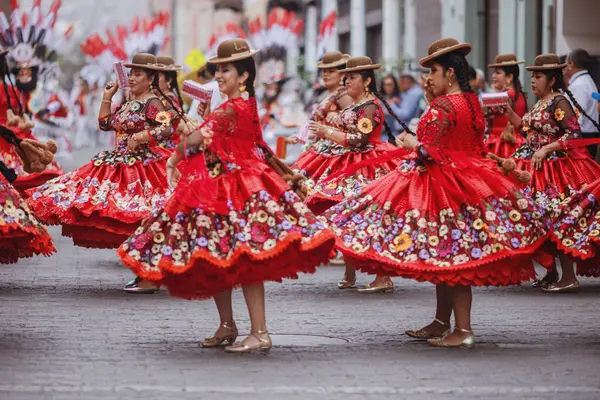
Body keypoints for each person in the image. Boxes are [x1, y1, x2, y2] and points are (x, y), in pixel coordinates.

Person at [320, 38, 549, 348]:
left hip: (442, 186)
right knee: (446, 256)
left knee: (453, 259)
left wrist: (413, 145)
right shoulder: (471, 102)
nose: (429, 79)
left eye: (434, 72)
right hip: (468, 181)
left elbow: (432, 152)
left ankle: (463, 330)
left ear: (450, 74)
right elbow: (473, 147)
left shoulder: (444, 105)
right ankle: (442, 322)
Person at [118, 39, 336, 353]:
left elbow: (197, 137)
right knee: (219, 256)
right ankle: (227, 325)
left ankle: (260, 332)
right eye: (218, 69)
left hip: (239, 190)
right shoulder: (233, 105)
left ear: (243, 76)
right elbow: (209, 137)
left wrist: (175, 153)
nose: (219, 75)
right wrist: (197, 126)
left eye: (226, 70)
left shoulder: (238, 105)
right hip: (220, 187)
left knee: (246, 260)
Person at [26, 53, 176, 288]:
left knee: (144, 217)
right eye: (131, 73)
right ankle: (145, 271)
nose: (132, 78)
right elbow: (105, 124)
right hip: (118, 163)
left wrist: (144, 135)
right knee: (121, 213)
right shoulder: (127, 102)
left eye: (138, 74)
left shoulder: (153, 103)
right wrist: (107, 96)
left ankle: (150, 273)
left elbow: (167, 128)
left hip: (144, 167)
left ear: (152, 78)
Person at [306, 56, 411, 293]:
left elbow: (359, 141)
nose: (347, 81)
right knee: (345, 215)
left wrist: (327, 131)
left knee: (372, 218)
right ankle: (351, 268)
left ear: (367, 81)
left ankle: (383, 277)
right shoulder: (355, 105)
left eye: (352, 77)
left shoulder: (371, 107)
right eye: (347, 77)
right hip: (349, 163)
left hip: (368, 165)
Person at [503, 53, 600, 292]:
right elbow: (528, 131)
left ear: (552, 79)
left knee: (558, 218)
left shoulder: (558, 101)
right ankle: (551, 271)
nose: (533, 81)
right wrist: (507, 112)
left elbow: (573, 133)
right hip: (537, 168)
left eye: (538, 76)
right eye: (532, 76)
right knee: (537, 218)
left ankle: (569, 277)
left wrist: (547, 148)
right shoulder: (543, 100)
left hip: (559, 170)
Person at [485, 53, 528, 158]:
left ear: (509, 77)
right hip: (518, 142)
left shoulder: (504, 97)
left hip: (501, 145)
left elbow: (481, 111)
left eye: (498, 73)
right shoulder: (521, 95)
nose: (493, 76)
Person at [564, 49, 600, 157]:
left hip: (582, 138)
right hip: (586, 136)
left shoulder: (579, 84)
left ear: (571, 64)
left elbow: (576, 117)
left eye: (566, 63)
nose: (564, 67)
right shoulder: (585, 80)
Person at [380, 74, 401, 141]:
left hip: (397, 134)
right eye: (384, 84)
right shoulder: (381, 98)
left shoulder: (400, 98)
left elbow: (401, 114)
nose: (386, 87)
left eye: (389, 84)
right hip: (382, 133)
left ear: (394, 85)